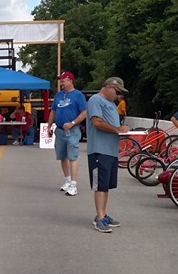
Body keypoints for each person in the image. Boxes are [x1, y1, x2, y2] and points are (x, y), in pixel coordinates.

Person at [87, 78, 130, 233]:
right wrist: (117, 129)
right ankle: (99, 218)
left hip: (111, 150)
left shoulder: (111, 104)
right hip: (99, 149)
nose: (118, 96)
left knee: (106, 185)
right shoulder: (96, 100)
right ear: (109, 87)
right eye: (117, 92)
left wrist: (120, 130)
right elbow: (97, 122)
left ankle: (103, 214)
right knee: (100, 184)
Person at [46, 71, 88, 196]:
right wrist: (49, 126)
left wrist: (72, 123)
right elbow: (53, 111)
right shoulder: (58, 95)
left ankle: (74, 185)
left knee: (72, 157)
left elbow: (84, 112)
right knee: (62, 157)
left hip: (72, 130)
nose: (61, 83)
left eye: (63, 80)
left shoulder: (78, 95)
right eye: (61, 81)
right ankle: (67, 180)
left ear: (70, 81)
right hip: (59, 130)